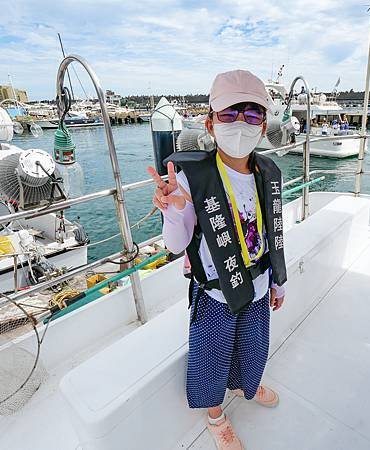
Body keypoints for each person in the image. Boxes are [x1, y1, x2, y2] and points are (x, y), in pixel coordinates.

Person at [147, 69, 287, 450]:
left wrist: (277, 280)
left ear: (262, 128)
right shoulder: (193, 178)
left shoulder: (268, 171)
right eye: (229, 114)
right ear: (210, 123)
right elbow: (176, 244)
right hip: (216, 293)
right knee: (211, 357)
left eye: (253, 114)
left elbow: (272, 230)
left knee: (253, 348)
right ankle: (215, 417)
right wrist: (174, 210)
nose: (241, 123)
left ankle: (247, 386)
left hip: (257, 286)